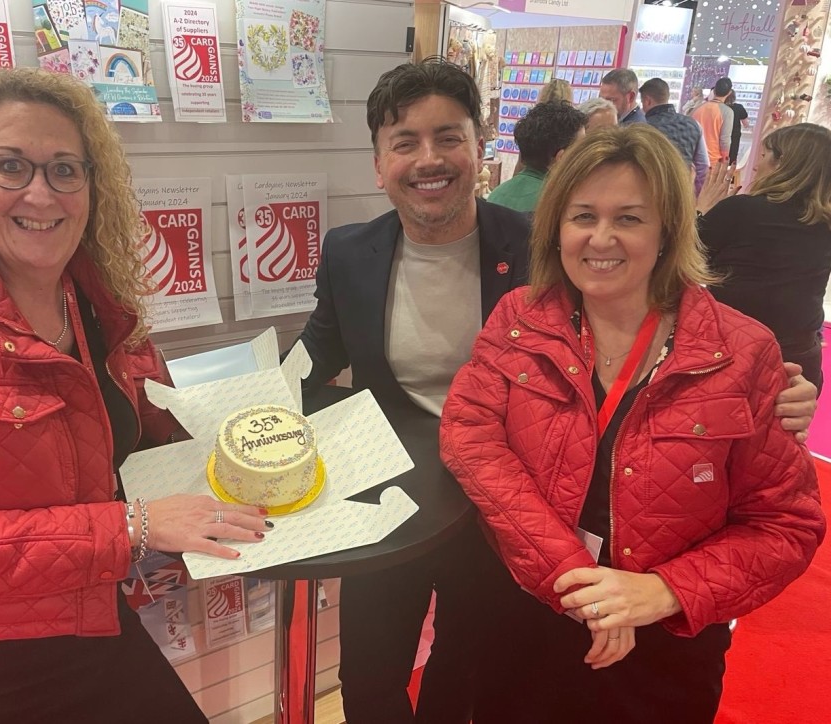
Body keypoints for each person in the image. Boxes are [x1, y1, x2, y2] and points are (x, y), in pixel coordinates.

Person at [0, 68, 268, 724]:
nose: (41, 193)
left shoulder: (100, 305)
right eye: (12, 166)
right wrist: (134, 526)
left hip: (80, 623)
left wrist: (255, 453)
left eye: (66, 169)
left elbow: (155, 434)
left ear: (93, 186)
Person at [440, 124, 826, 724]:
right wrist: (571, 576)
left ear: (669, 228)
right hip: (524, 618)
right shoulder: (521, 319)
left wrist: (663, 592)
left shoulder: (742, 352)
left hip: (662, 647)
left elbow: (785, 524)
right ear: (556, 227)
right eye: (583, 215)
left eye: (629, 218)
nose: (601, 238)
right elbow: (472, 439)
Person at [296, 58, 532, 723]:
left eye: (448, 137)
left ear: (480, 150)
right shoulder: (350, 251)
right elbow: (316, 355)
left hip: (501, 506)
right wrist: (238, 411)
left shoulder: (538, 247)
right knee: (368, 680)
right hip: (389, 501)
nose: (429, 159)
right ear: (379, 164)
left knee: (467, 671)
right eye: (405, 142)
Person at [697, 123, 831, 394]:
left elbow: (684, 260)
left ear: (783, 163)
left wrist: (700, 212)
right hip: (800, 361)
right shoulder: (824, 224)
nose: (756, 165)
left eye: (764, 155)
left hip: (735, 354)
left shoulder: (742, 210)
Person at [487, 100, 585, 214]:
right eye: (581, 149)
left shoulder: (496, 195)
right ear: (561, 158)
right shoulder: (561, 203)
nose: (585, 155)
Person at [640, 77, 709, 193]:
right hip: (682, 191)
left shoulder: (642, 126)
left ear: (647, 100)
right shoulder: (693, 124)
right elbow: (702, 166)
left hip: (650, 193)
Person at [693, 77, 734, 164]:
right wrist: (725, 159)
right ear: (729, 92)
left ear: (714, 91)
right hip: (713, 159)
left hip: (694, 155)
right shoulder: (727, 112)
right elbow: (725, 139)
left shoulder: (698, 108)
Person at [725, 91, 749, 166]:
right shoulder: (739, 107)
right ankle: (730, 172)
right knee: (732, 154)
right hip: (734, 134)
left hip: (722, 134)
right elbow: (746, 124)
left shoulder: (720, 107)